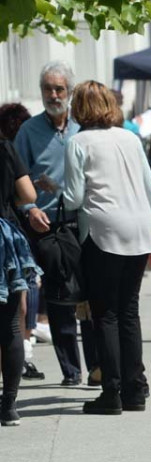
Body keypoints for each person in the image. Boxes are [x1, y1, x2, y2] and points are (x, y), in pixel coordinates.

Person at [63, 81, 151, 414]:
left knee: (105, 313)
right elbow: (150, 186)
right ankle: (135, 388)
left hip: (102, 230)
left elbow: (74, 198)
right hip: (137, 229)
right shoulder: (130, 138)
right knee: (128, 311)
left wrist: (56, 192)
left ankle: (112, 391)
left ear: (78, 108)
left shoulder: (78, 142)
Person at [14, 61, 96, 386]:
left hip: (85, 222)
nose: (53, 94)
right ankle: (71, 370)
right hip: (48, 227)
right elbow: (15, 180)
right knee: (60, 298)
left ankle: (97, 367)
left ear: (70, 92)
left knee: (89, 296)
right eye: (48, 88)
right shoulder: (28, 131)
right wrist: (31, 207)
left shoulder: (85, 127)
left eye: (59, 88)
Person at [0, 102, 45, 381]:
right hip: (3, 235)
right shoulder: (5, 148)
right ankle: (9, 405)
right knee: (11, 325)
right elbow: (29, 195)